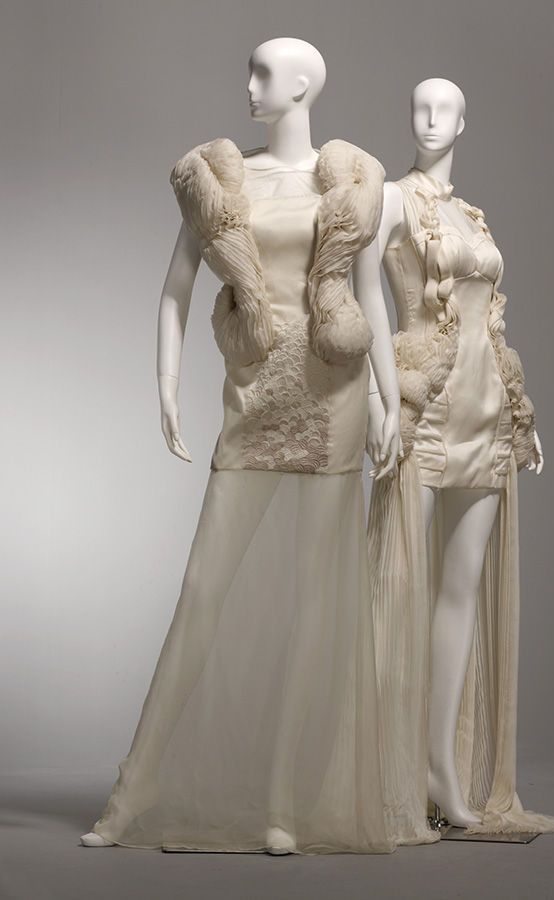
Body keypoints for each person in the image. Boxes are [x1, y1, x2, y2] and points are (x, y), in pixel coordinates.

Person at [80, 38, 401, 854]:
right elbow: (176, 288)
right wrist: (164, 385)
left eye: (264, 72)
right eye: (251, 70)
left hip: (333, 398)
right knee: (203, 589)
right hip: (254, 396)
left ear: (303, 85)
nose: (249, 84)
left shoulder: (353, 180)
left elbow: (371, 296)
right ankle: (137, 782)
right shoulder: (218, 180)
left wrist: (386, 400)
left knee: (314, 602)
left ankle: (282, 799)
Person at [355, 78, 554, 838]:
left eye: (444, 108)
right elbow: (366, 298)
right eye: (419, 106)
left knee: (460, 594)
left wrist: (523, 413)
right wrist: (381, 398)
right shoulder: (390, 199)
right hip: (423, 408)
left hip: (488, 412)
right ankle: (382, 771)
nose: (429, 118)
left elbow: (490, 324)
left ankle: (439, 770)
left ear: (463, 122)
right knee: (398, 589)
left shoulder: (471, 215)